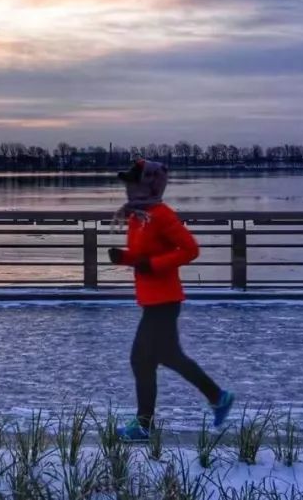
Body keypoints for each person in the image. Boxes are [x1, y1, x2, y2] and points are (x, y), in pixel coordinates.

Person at [107, 158, 234, 442]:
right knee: (166, 356)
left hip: (164, 300)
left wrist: (153, 265)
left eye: (133, 181)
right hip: (151, 298)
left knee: (141, 360)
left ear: (149, 184)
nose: (128, 187)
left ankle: (144, 425)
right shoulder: (137, 215)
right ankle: (218, 397)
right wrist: (125, 258)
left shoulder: (162, 214)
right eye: (128, 182)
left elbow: (190, 249)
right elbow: (143, 256)